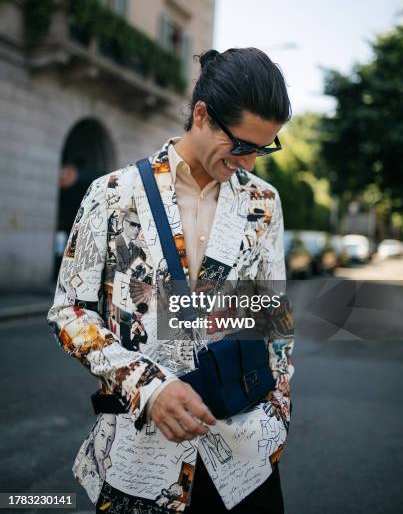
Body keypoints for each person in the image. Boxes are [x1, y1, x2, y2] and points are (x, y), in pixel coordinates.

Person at [48, 47, 295, 513]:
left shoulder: (266, 201)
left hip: (243, 456)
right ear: (202, 115)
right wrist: (148, 387)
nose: (251, 163)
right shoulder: (113, 194)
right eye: (242, 146)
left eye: (264, 148)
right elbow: (68, 311)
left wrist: (277, 416)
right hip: (140, 457)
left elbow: (272, 312)